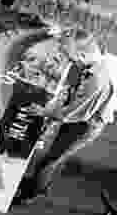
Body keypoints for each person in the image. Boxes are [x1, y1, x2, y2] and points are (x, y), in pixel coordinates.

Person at [14, 27, 116, 204]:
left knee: (51, 159)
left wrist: (43, 112)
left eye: (71, 58)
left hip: (84, 125)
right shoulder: (97, 54)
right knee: (57, 154)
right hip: (82, 114)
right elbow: (77, 36)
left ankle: (32, 193)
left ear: (83, 57)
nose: (68, 61)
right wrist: (57, 33)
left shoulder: (97, 81)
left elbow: (71, 114)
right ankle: (39, 183)